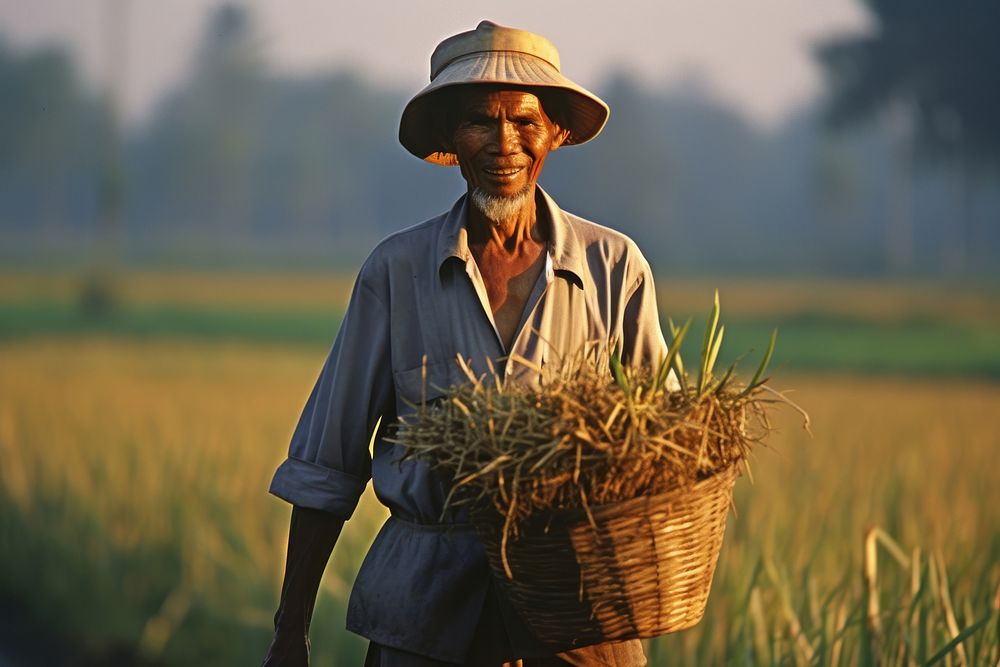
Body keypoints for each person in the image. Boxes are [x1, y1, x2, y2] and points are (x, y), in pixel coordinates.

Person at [263, 21, 667, 667]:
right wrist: (290, 632)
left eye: (525, 122)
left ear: (556, 132)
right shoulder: (396, 271)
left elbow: (663, 451)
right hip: (424, 619)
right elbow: (326, 465)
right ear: (450, 138)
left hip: (576, 621)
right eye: (481, 121)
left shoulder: (613, 266)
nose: (504, 143)